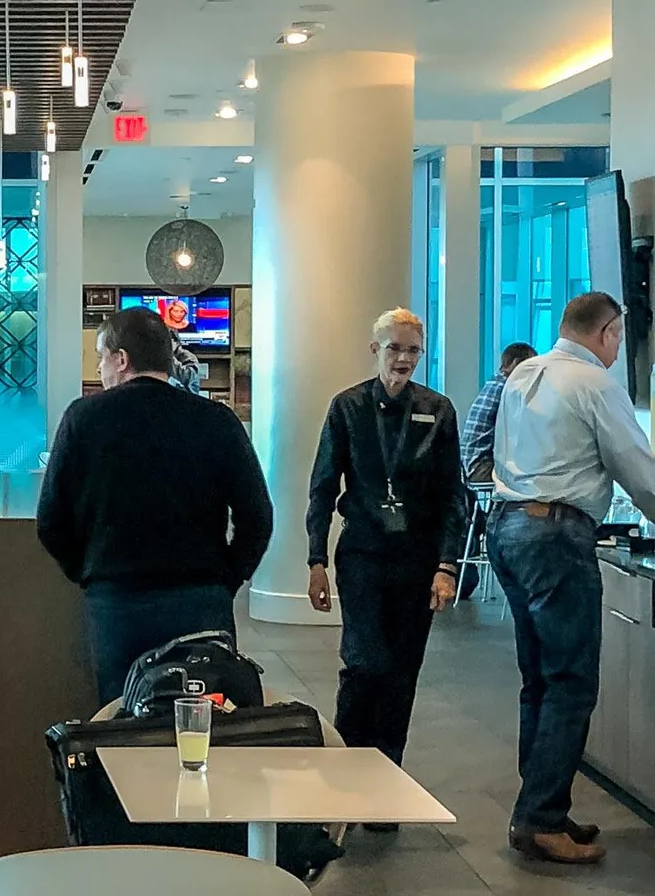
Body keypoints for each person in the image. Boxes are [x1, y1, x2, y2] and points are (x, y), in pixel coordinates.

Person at [488, 290, 655, 867]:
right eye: (619, 338)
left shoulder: (526, 371)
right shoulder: (596, 383)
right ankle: (540, 816)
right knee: (572, 682)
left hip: (507, 528)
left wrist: (645, 463)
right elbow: (637, 475)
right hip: (555, 539)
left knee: (541, 680)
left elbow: (560, 449)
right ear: (606, 333)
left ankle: (538, 806)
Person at [37, 304, 273, 702]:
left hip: (117, 601)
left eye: (101, 357)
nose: (100, 369)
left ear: (122, 359)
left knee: (124, 719)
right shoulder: (216, 420)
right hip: (201, 599)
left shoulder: (84, 418)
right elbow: (258, 516)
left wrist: (89, 573)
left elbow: (50, 521)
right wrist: (226, 579)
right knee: (206, 716)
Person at [305, 308, 466, 782]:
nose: (403, 358)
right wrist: (316, 558)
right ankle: (344, 773)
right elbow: (322, 487)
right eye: (394, 348)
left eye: (413, 349)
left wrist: (447, 565)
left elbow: (451, 496)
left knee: (401, 676)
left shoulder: (438, 411)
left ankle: (384, 782)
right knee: (363, 664)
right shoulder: (347, 407)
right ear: (375, 349)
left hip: (416, 561)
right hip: (363, 556)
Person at [461, 341, 537, 486]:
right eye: (531, 367)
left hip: (468, 465)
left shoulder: (494, 383)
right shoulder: (508, 389)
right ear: (517, 364)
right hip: (481, 468)